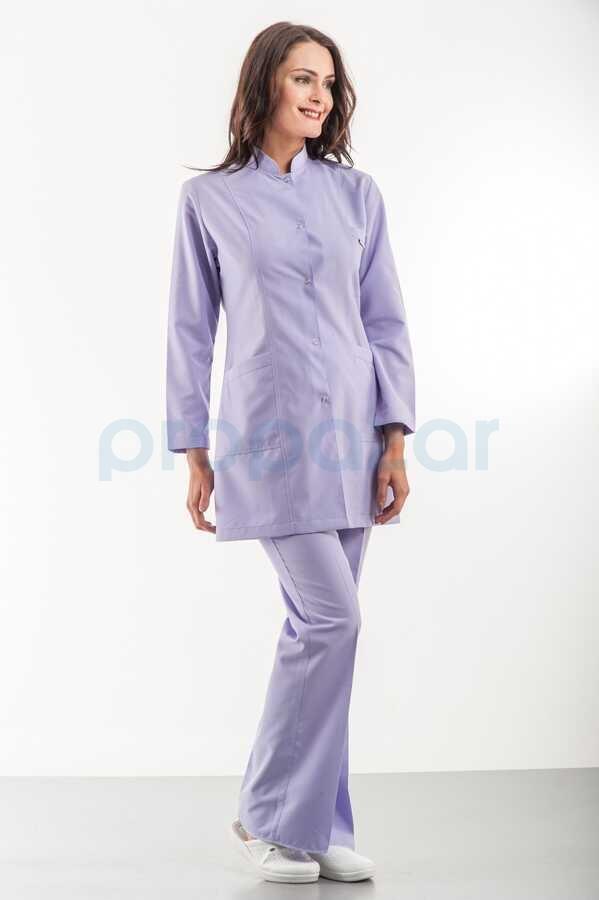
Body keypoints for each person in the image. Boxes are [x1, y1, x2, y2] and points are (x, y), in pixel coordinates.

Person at [165, 21, 416, 884]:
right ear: (265, 82)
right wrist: (193, 448)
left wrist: (393, 439)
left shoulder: (356, 196)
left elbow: (385, 322)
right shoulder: (209, 202)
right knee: (330, 621)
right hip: (266, 440)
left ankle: (315, 823)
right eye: (303, 78)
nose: (318, 95)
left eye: (328, 83)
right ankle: (266, 816)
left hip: (352, 439)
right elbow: (189, 330)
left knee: (324, 636)